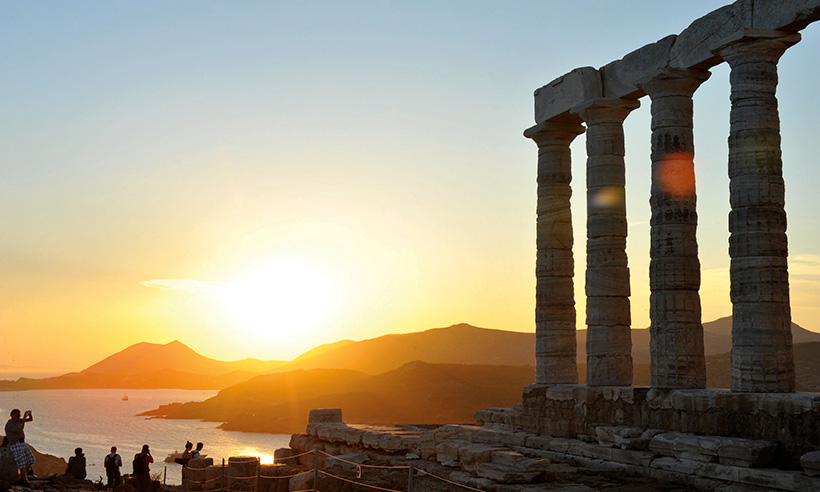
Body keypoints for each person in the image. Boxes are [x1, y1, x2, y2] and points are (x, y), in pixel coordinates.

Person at [4, 409, 35, 485]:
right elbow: (19, 430)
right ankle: (24, 480)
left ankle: (22, 476)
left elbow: (30, 419)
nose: (19, 417)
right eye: (17, 415)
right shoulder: (9, 424)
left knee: (31, 459)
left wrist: (29, 415)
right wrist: (24, 418)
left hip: (22, 443)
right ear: (12, 415)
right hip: (15, 444)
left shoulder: (18, 421)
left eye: (19, 415)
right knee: (22, 462)